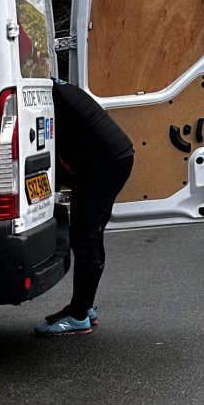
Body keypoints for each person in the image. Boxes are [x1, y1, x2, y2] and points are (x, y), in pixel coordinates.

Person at [36, 78, 134, 336]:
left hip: (103, 163)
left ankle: (79, 315)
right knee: (88, 236)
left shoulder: (43, 95)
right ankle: (84, 306)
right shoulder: (50, 88)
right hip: (109, 158)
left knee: (85, 239)